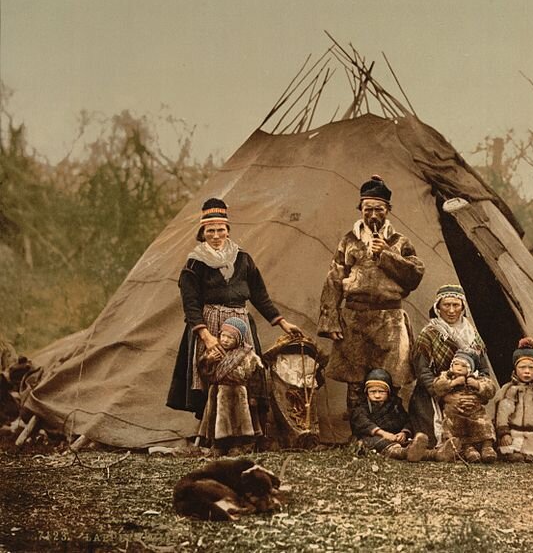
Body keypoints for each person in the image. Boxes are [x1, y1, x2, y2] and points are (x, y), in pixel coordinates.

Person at [167, 198, 302, 422]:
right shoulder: (194, 264)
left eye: (221, 230)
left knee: (246, 374)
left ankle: (245, 431)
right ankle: (212, 432)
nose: (216, 235)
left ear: (228, 231)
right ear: (203, 233)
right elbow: (190, 305)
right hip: (210, 324)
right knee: (212, 375)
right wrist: (206, 337)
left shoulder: (243, 259)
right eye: (210, 231)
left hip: (241, 324)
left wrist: (282, 322)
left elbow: (260, 295)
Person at [318, 175, 425, 413]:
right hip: (354, 317)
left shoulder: (400, 242)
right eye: (368, 209)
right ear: (361, 210)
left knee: (390, 378)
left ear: (388, 210)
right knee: (355, 379)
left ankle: (389, 430)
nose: (373, 215)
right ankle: (361, 433)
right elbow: (334, 279)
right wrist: (331, 319)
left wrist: (387, 254)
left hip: (389, 319)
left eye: (379, 209)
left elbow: (415, 276)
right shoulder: (349, 240)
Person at [407, 284, 491, 448]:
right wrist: (444, 395)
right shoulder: (428, 334)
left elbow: (484, 370)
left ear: (463, 307)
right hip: (433, 392)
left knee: (479, 433)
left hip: (467, 393)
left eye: (456, 305)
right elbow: (422, 371)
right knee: (432, 439)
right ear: (438, 307)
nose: (451, 310)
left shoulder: (472, 335)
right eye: (446, 305)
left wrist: (475, 393)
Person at [197, 317, 266, 456]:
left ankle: (238, 445)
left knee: (239, 421)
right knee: (217, 419)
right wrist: (208, 361)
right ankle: (218, 445)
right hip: (217, 392)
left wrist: (254, 397)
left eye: (230, 337)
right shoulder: (214, 352)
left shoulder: (247, 355)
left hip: (238, 393)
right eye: (223, 335)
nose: (225, 340)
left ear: (239, 340)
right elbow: (204, 373)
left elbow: (256, 377)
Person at [349, 368, 431, 461]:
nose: (377, 395)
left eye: (381, 392)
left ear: (388, 393)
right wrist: (384, 434)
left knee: (410, 443)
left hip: (394, 437)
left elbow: (406, 420)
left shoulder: (394, 405)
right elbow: (364, 423)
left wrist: (403, 432)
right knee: (374, 442)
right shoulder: (361, 407)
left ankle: (435, 454)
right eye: (372, 392)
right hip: (372, 438)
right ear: (367, 393)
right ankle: (404, 453)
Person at [431, 350, 498, 463]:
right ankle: (468, 449)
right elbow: (437, 387)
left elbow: (491, 390)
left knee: (484, 423)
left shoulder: (476, 378)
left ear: (470, 369)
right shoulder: (446, 376)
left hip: (475, 411)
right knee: (456, 426)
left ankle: (487, 447)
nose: (459, 368)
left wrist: (477, 385)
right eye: (456, 364)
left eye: (463, 365)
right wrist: (453, 383)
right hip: (455, 411)